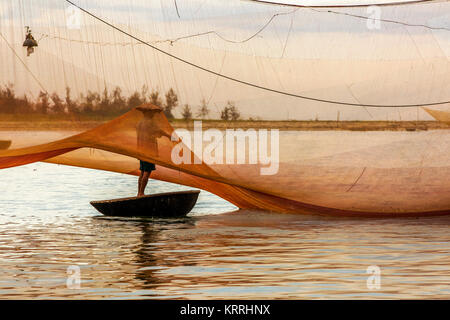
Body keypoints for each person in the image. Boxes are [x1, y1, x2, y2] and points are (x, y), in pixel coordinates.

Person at [136, 104, 171, 197]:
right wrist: (169, 136)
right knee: (147, 172)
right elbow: (159, 131)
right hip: (149, 151)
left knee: (142, 171)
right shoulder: (150, 122)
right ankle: (141, 193)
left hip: (140, 151)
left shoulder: (140, 123)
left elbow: (149, 134)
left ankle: (139, 193)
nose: (154, 114)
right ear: (147, 112)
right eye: (152, 112)